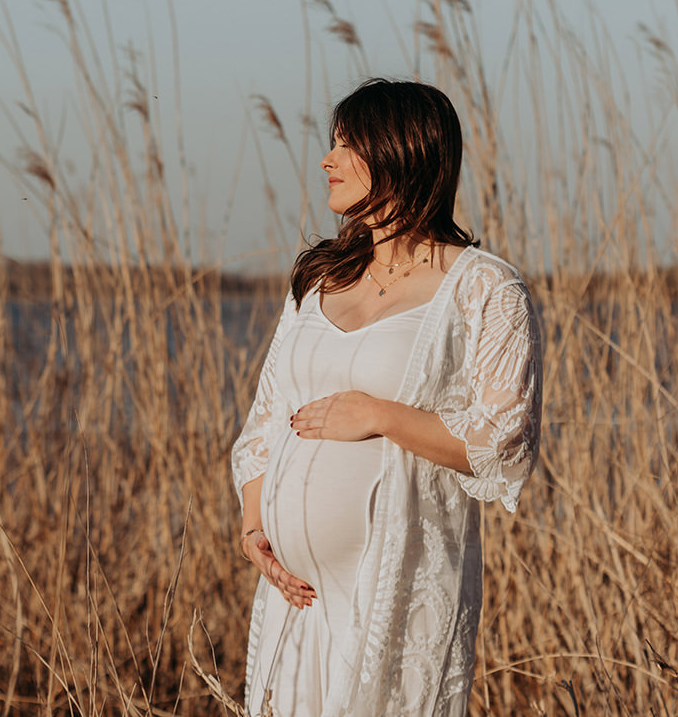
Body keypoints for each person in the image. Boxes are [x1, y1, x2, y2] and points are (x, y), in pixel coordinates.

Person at [231, 79, 542, 716]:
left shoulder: (484, 288)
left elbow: (500, 438)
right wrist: (256, 525)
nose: (327, 160)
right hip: (296, 597)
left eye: (348, 145)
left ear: (403, 152)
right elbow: (266, 419)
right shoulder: (318, 279)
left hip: (393, 592)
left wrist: (378, 415)